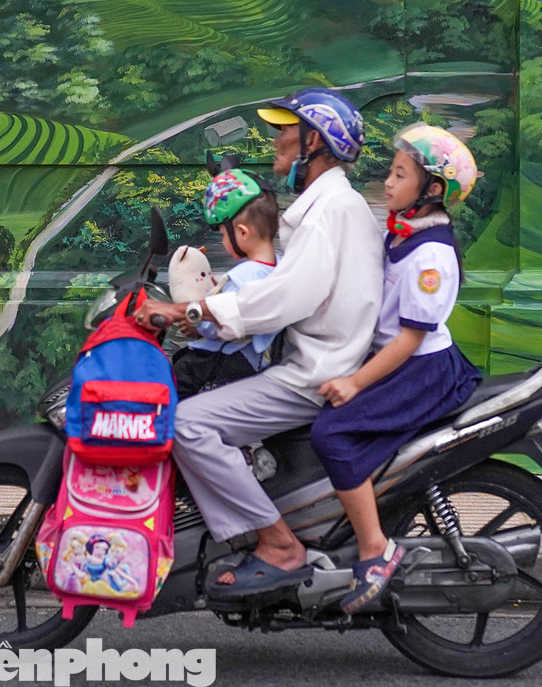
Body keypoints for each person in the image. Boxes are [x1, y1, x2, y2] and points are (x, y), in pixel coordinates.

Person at [135, 88, 383, 597]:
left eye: (284, 135)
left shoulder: (329, 211)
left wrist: (192, 310)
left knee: (186, 424)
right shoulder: (328, 207)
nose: (275, 146)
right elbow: (275, 290)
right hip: (318, 361)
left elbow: (286, 298)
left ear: (313, 142)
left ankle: (279, 544)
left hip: (313, 373)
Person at [311, 122, 483, 613]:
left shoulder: (431, 254)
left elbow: (410, 338)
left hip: (421, 371)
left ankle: (374, 547)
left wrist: (354, 382)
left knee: (332, 435)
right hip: (401, 359)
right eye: (390, 171)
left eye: (400, 175)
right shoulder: (405, 231)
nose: (387, 182)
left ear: (431, 191)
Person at [170, 169, 280, 399]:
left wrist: (196, 325)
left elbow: (220, 322)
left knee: (172, 383)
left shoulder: (242, 276)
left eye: (223, 234)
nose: (223, 241)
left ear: (242, 232)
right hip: (255, 360)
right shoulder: (280, 267)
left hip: (224, 357)